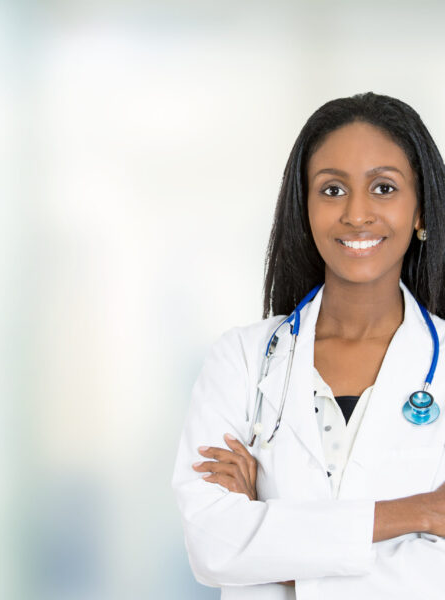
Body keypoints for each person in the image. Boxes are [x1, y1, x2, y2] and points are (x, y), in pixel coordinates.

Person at [171, 92, 445, 600]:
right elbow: (211, 545)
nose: (357, 214)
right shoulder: (241, 360)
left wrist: (269, 546)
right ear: (305, 209)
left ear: (421, 211)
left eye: (383, 188)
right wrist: (419, 513)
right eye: (333, 189)